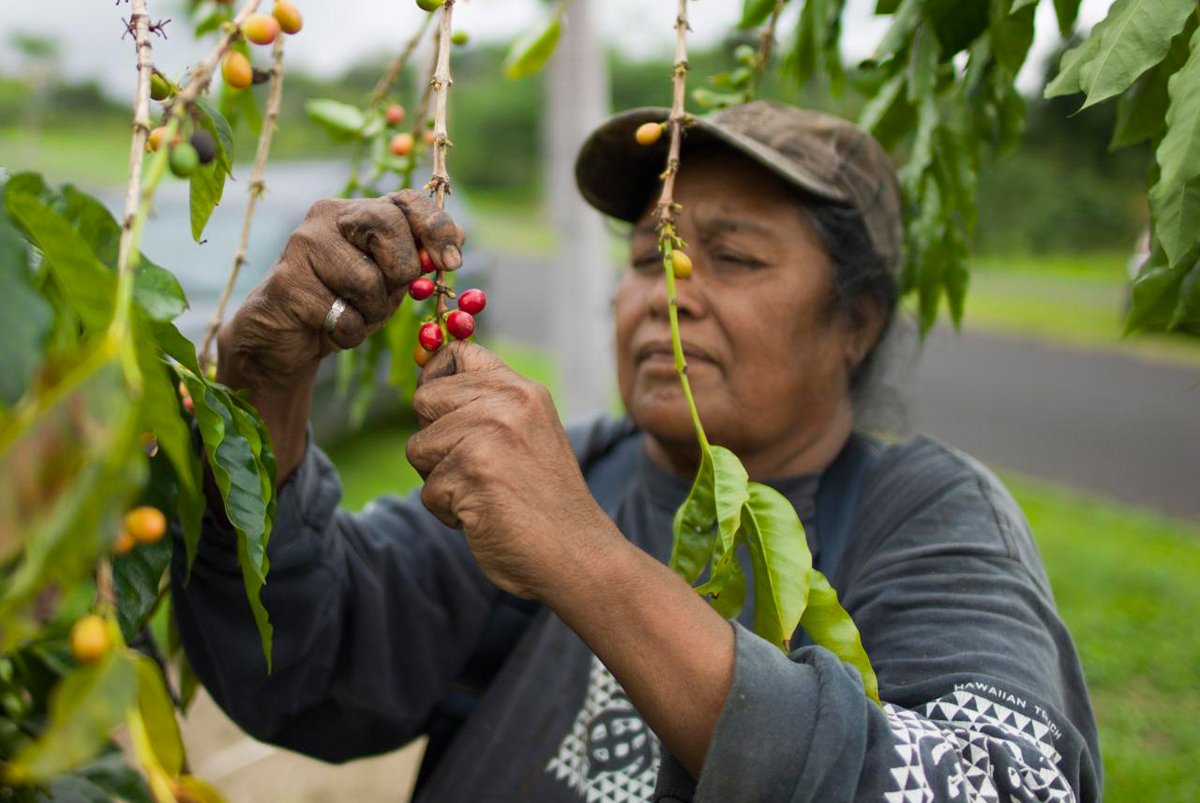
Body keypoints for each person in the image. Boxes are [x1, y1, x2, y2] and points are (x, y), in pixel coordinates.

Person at [172, 101, 1102, 802]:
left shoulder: (927, 514)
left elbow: (1004, 782)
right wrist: (261, 396)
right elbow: (304, 653)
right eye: (642, 256)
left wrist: (583, 558)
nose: (668, 293)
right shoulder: (578, 471)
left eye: (732, 259)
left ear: (854, 322)